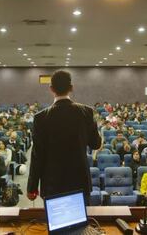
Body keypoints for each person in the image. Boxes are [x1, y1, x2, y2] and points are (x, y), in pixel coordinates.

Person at [27, 70, 101, 203]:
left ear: (51, 89)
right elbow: (96, 144)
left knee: (56, 220)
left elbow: (37, 155)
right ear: (71, 88)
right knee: (80, 222)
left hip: (52, 183)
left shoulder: (40, 117)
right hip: (79, 181)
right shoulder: (87, 112)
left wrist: (32, 187)